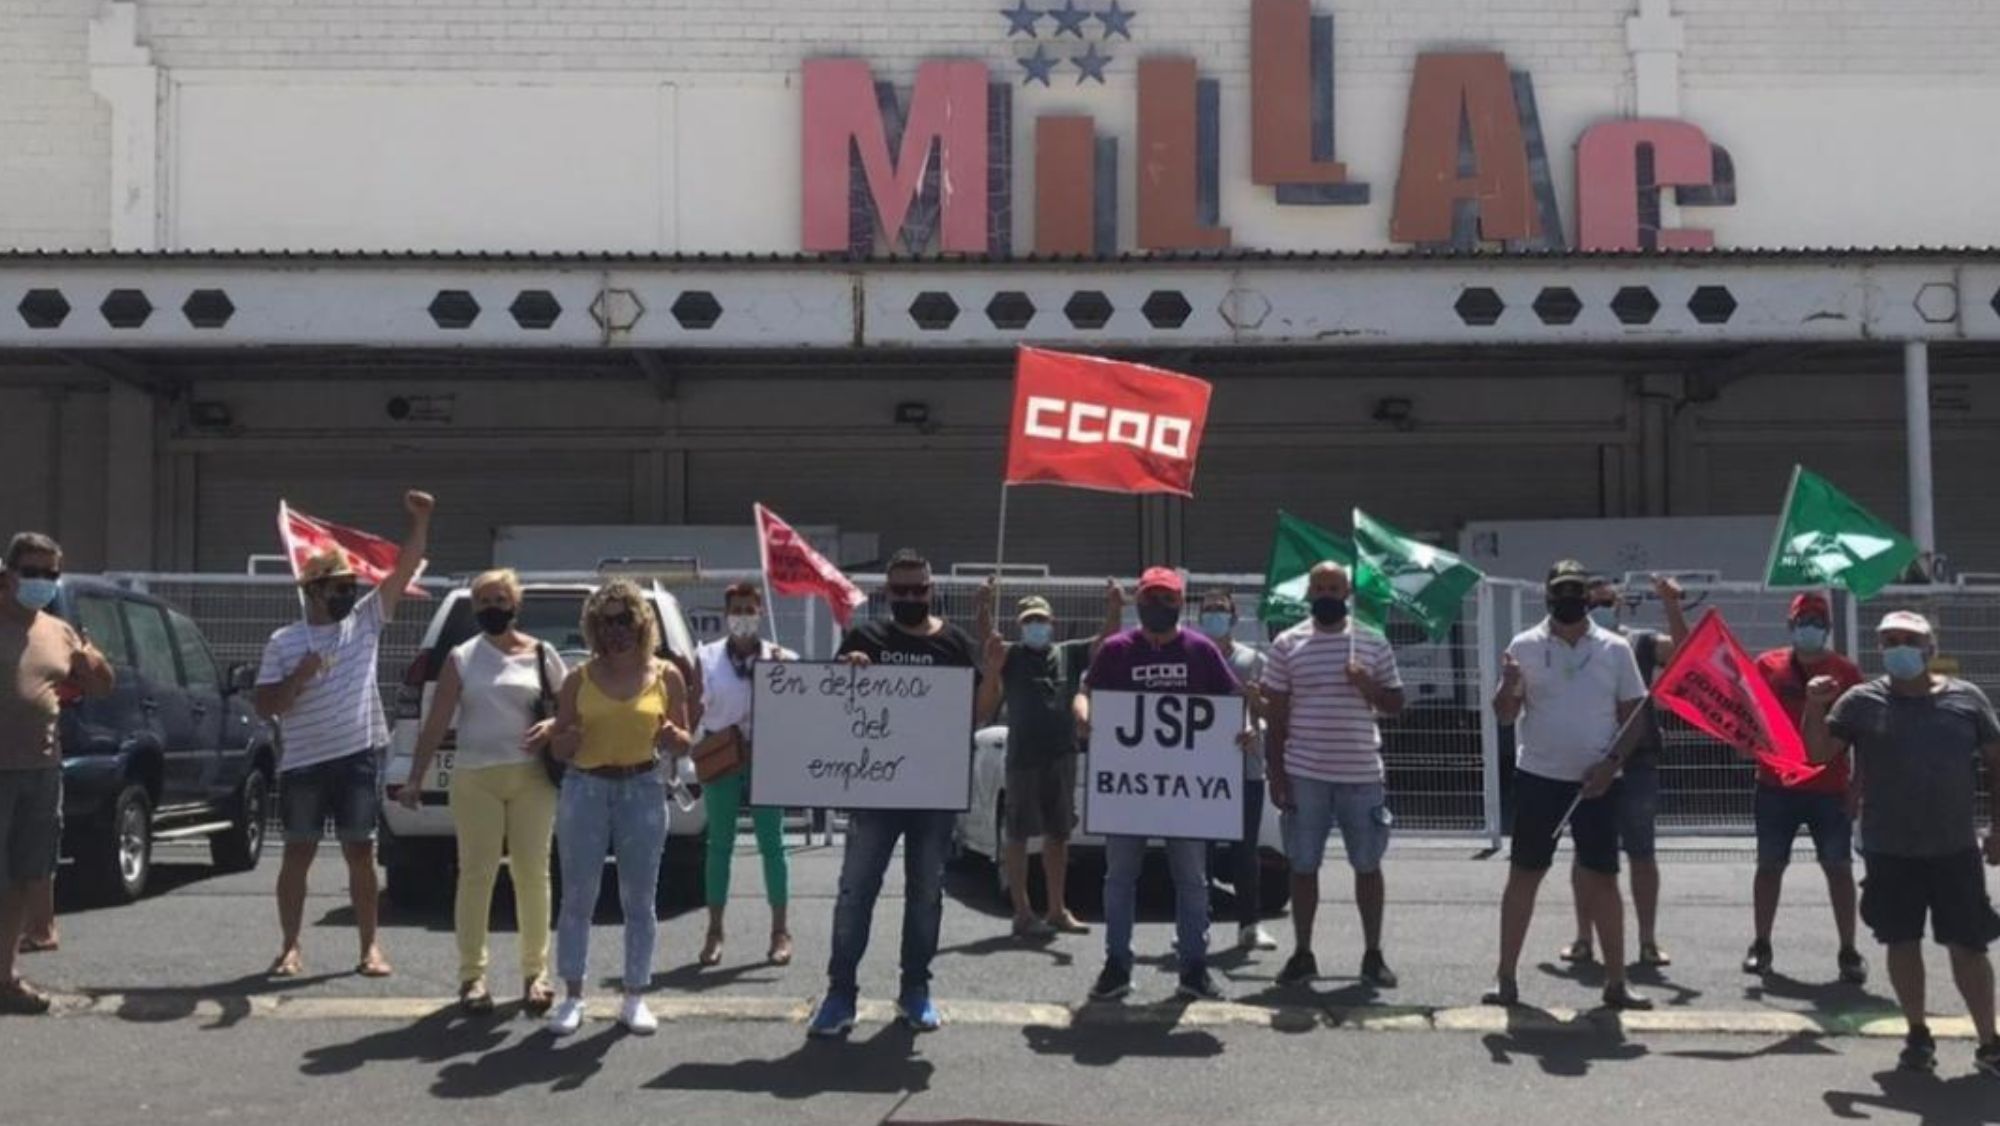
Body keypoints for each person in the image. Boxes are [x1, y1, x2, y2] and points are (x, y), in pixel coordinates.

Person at [808, 550, 1004, 1037]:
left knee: (925, 894)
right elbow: (831, 705)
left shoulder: (956, 644)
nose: (912, 597)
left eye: (919, 589)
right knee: (856, 892)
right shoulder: (866, 638)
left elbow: (977, 713)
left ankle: (915, 990)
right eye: (902, 591)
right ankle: (840, 994)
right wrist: (846, 671)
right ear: (888, 593)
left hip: (933, 794)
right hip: (875, 790)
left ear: (932, 589)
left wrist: (996, 671)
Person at [1803, 611, 2000, 1077]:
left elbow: (1996, 764)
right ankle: (1917, 1033)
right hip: (1889, 848)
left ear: (1930, 647)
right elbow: (1816, 755)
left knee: (1969, 946)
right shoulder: (1859, 702)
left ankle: (1989, 1040)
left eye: (1908, 639)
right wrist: (1812, 707)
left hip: (1954, 847)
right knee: (1901, 940)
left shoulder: (1966, 699)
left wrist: (1998, 828)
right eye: (1889, 640)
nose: (1898, 648)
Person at [255, 491, 432, 980]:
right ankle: (290, 947)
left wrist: (420, 521)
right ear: (311, 590)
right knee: (298, 852)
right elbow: (266, 705)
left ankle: (370, 947)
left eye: (349, 585)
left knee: (361, 852)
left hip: (357, 756)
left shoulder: (365, 622)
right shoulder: (284, 642)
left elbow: (406, 567)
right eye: (335, 586)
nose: (346, 594)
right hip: (304, 763)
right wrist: (299, 677)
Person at [1485, 560, 1653, 1011]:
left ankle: (1617, 982)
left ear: (1589, 595)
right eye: (1562, 591)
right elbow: (1504, 713)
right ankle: (1505, 977)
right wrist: (1509, 685)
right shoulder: (1523, 645)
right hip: (1540, 778)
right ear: (1548, 596)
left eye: (1578, 590)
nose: (1570, 599)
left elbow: (1634, 716)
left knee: (1602, 879)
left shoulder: (1615, 648)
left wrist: (1612, 763)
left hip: (1597, 783)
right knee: (1524, 875)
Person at [1077, 566, 1245, 1005]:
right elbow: (1085, 692)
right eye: (1152, 597)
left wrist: (1246, 729)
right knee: (1119, 878)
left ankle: (1193, 967)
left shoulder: (1202, 650)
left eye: (1168, 599)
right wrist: (1081, 713)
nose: (1160, 605)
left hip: (1186, 791)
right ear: (1138, 601)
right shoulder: (1116, 650)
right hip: (1129, 790)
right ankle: (1116, 966)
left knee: (1191, 879)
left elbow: (1232, 703)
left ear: (1179, 603)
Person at [399, 569, 563, 1016]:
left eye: (499, 599)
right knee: (477, 875)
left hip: (532, 778)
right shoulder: (462, 657)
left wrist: (552, 725)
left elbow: (570, 711)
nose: (492, 608)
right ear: (474, 610)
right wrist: (416, 776)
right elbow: (436, 720)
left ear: (515, 604)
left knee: (533, 874)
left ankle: (537, 973)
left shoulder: (544, 655)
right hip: (476, 779)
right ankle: (472, 977)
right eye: (483, 602)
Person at [544, 579, 693, 1037]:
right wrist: (562, 741)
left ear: (642, 623)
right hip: (586, 789)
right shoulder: (578, 679)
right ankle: (572, 996)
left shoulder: (667, 675)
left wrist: (675, 739)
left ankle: (634, 996)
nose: (616, 630)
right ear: (593, 627)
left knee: (639, 899)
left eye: (625, 619)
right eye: (606, 621)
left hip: (643, 788)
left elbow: (685, 739)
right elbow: (560, 745)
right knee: (578, 897)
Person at [1263, 563, 1405, 988]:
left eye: (1335, 587)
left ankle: (1373, 954)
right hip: (1305, 771)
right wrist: (1276, 772)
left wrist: (1367, 686)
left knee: (1367, 864)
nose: (1327, 593)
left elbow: (1396, 703)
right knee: (1303, 865)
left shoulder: (1371, 642)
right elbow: (1276, 712)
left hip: (1361, 771)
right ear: (1308, 592)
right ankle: (1303, 952)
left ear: (1347, 592)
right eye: (1319, 587)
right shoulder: (1288, 644)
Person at [0, 533, 114, 1015]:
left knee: (25, 877)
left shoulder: (60, 631)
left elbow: (103, 685)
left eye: (50, 574)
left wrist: (93, 660)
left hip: (41, 771)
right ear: (8, 574)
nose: (42, 582)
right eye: (32, 572)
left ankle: (5, 978)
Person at [1734, 593, 1868, 983]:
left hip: (1829, 788)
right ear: (1791, 625)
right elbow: (1749, 712)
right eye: (1802, 619)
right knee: (1769, 867)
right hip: (1776, 785)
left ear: (1826, 627)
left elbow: (1863, 735)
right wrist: (1743, 739)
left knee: (1839, 869)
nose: (1809, 626)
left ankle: (1848, 949)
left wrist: (1858, 787)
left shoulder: (1845, 672)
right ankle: (1761, 943)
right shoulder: (1767, 665)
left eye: (1816, 620)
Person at [978, 583, 1119, 941]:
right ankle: (1022, 911)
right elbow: (987, 639)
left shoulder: (1069, 653)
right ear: (1020, 625)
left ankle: (1057, 909)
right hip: (1023, 757)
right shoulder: (1008, 655)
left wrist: (1114, 608)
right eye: (1029, 621)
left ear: (1052, 621)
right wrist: (983, 606)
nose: (1036, 625)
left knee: (1059, 834)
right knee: (1018, 835)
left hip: (1062, 755)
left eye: (1040, 619)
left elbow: (1106, 641)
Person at [1560, 575, 1679, 969]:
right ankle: (1583, 938)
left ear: (1621, 605)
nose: (1600, 609)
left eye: (1607, 602)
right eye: (1592, 602)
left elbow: (1683, 654)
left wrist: (1672, 604)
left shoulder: (1641, 642)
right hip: (1588, 761)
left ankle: (1647, 941)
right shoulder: (1571, 646)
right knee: (1586, 855)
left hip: (1637, 763)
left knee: (1642, 853)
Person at [689, 582, 795, 968]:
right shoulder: (707, 656)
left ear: (761, 612)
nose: (743, 617)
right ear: (725, 613)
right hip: (723, 754)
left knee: (774, 844)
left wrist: (784, 673)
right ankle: (714, 931)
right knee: (720, 844)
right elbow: (692, 710)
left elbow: (797, 710)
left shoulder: (782, 657)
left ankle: (780, 931)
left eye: (750, 609)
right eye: (737, 609)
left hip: (767, 757)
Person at [1196, 589, 1279, 954]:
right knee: (1202, 850)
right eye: (1208, 610)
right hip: (1201, 770)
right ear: (1199, 619)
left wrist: (1255, 722)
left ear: (1234, 618)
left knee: (1245, 850)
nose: (1215, 615)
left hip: (1246, 767)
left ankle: (1249, 924)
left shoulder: (1254, 660)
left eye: (1221, 610)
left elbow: (1269, 711)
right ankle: (1197, 921)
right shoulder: (1192, 658)